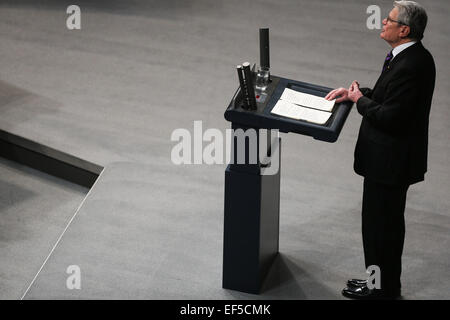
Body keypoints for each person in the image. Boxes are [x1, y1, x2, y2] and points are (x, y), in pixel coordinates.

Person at [325, 1, 435, 299]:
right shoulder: (405, 57)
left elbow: (392, 117)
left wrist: (360, 101)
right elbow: (391, 100)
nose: (382, 22)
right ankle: (380, 284)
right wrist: (356, 94)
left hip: (390, 164)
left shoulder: (412, 64)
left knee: (380, 230)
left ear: (405, 29)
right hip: (389, 162)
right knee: (380, 228)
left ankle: (382, 290)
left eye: (389, 19)